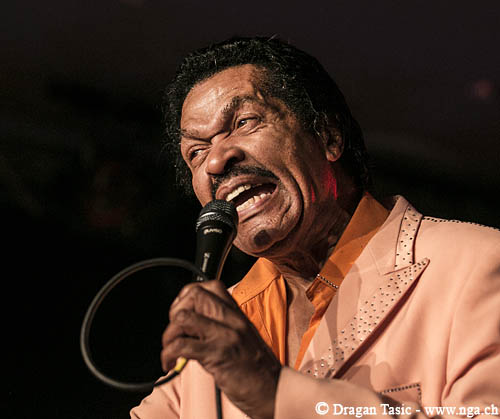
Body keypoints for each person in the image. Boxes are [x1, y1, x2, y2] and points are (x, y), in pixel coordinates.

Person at [131, 37, 500, 419]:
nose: (216, 161)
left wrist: (273, 392)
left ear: (328, 136)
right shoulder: (211, 336)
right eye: (196, 152)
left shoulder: (478, 265)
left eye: (243, 123)